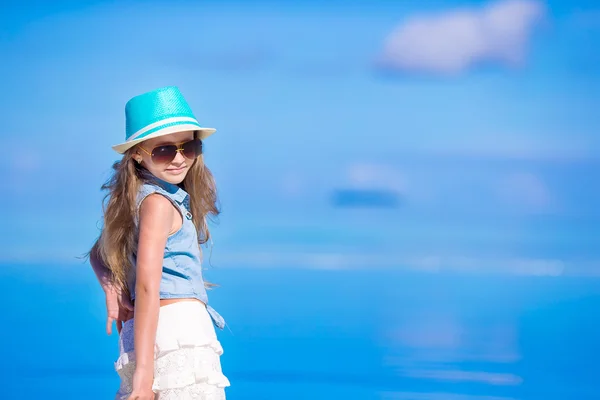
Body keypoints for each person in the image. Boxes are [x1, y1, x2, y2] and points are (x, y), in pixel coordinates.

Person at [89, 86, 230, 400]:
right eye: (164, 150)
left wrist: (110, 285)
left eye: (189, 146)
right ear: (137, 153)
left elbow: (98, 254)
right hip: (178, 336)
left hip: (146, 335)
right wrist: (144, 378)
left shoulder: (131, 201)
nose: (179, 159)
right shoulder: (159, 204)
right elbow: (147, 287)